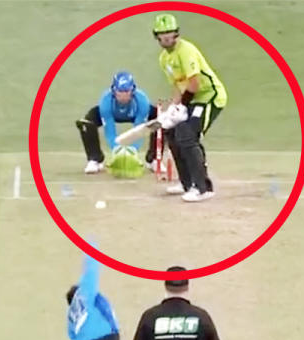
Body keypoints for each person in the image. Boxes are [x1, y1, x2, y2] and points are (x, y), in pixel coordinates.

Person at [152, 14, 228, 202]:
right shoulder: (164, 59)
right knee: (172, 132)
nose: (167, 39)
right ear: (157, 37)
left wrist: (182, 107)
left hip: (211, 97)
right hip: (192, 100)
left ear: (176, 33)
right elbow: (178, 85)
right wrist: (173, 109)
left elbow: (194, 84)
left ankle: (203, 188)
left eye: (170, 34)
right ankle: (187, 183)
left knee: (187, 135)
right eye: (163, 36)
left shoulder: (186, 51)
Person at [76, 71, 158, 174]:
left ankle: (154, 159)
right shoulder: (106, 101)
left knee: (161, 120)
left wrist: (132, 151)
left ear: (132, 91)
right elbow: (109, 130)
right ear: (114, 91)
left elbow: (139, 129)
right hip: (113, 114)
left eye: (126, 92)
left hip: (136, 115)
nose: (123, 96)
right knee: (86, 123)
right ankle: (95, 159)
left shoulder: (142, 101)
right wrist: (117, 150)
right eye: (120, 92)